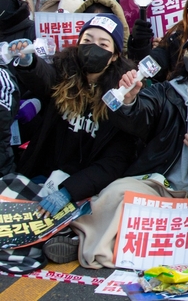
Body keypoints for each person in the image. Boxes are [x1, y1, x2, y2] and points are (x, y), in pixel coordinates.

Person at [67, 23, 188, 269]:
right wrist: (129, 100)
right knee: (117, 193)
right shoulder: (164, 92)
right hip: (160, 186)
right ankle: (87, 244)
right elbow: (139, 116)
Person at [8, 15, 136, 263]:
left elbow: (114, 162)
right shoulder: (63, 72)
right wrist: (27, 61)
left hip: (86, 187)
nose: (92, 48)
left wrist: (70, 191)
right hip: (45, 177)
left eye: (103, 44)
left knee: (92, 215)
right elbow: (43, 77)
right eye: (87, 40)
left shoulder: (121, 96)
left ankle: (67, 238)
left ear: (114, 56)